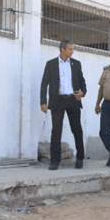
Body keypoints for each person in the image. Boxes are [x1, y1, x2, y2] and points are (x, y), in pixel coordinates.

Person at [41, 40, 87, 171]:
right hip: (57, 101)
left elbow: (82, 81)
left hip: (73, 100)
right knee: (56, 131)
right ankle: (54, 161)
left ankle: (80, 158)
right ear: (63, 50)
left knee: (76, 129)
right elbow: (44, 84)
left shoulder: (76, 64)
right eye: (70, 49)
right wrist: (43, 102)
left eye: (72, 49)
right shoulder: (51, 64)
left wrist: (83, 92)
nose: (72, 51)